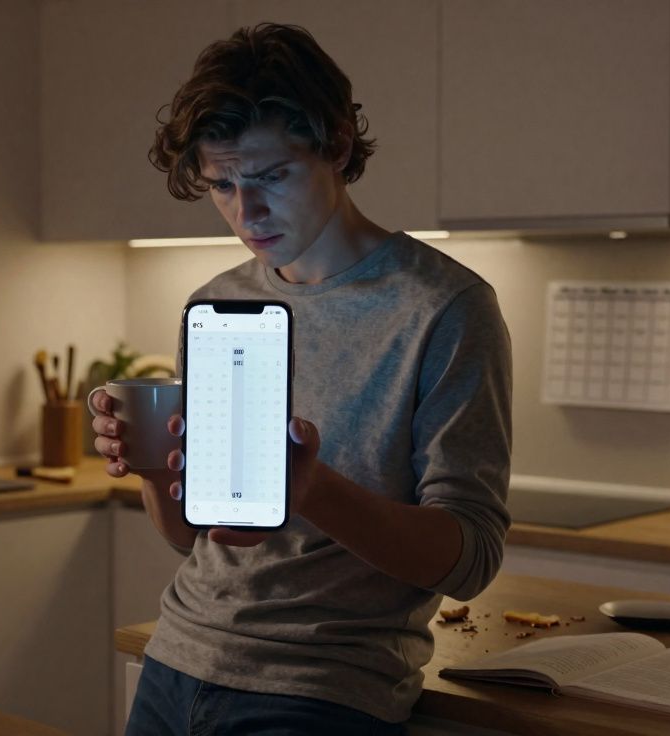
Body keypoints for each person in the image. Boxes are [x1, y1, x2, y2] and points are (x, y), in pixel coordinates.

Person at [91, 23, 512, 735]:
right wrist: (152, 466)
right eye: (222, 184)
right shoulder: (215, 303)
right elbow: (197, 540)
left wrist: (312, 489)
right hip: (175, 662)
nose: (245, 213)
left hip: (322, 690)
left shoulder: (443, 309)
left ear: (338, 146)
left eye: (270, 177)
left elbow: (469, 559)